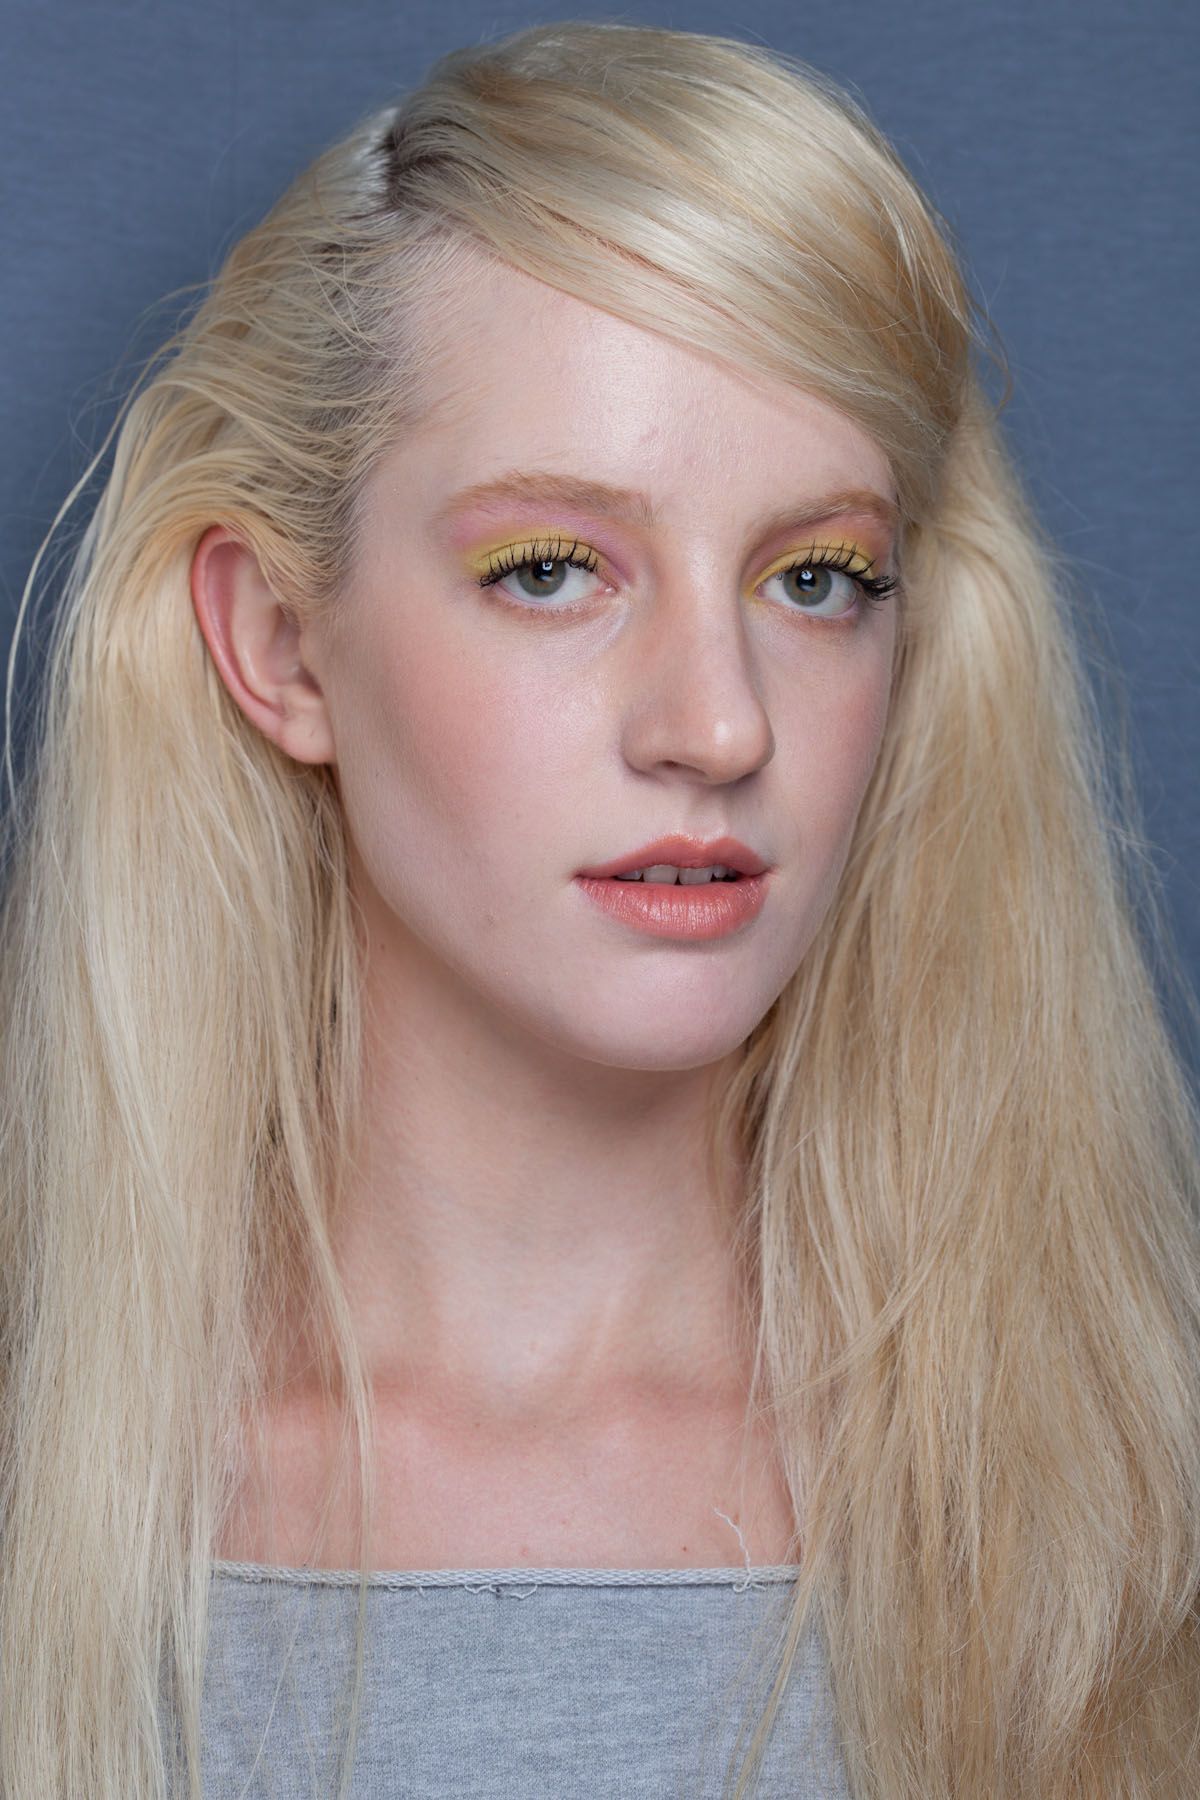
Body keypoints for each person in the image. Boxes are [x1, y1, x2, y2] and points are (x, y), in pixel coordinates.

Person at [1, 20, 1197, 1799]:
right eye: (552, 570)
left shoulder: (1137, 1513)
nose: (718, 725)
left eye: (817, 579)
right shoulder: (46, 1503)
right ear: (279, 643)